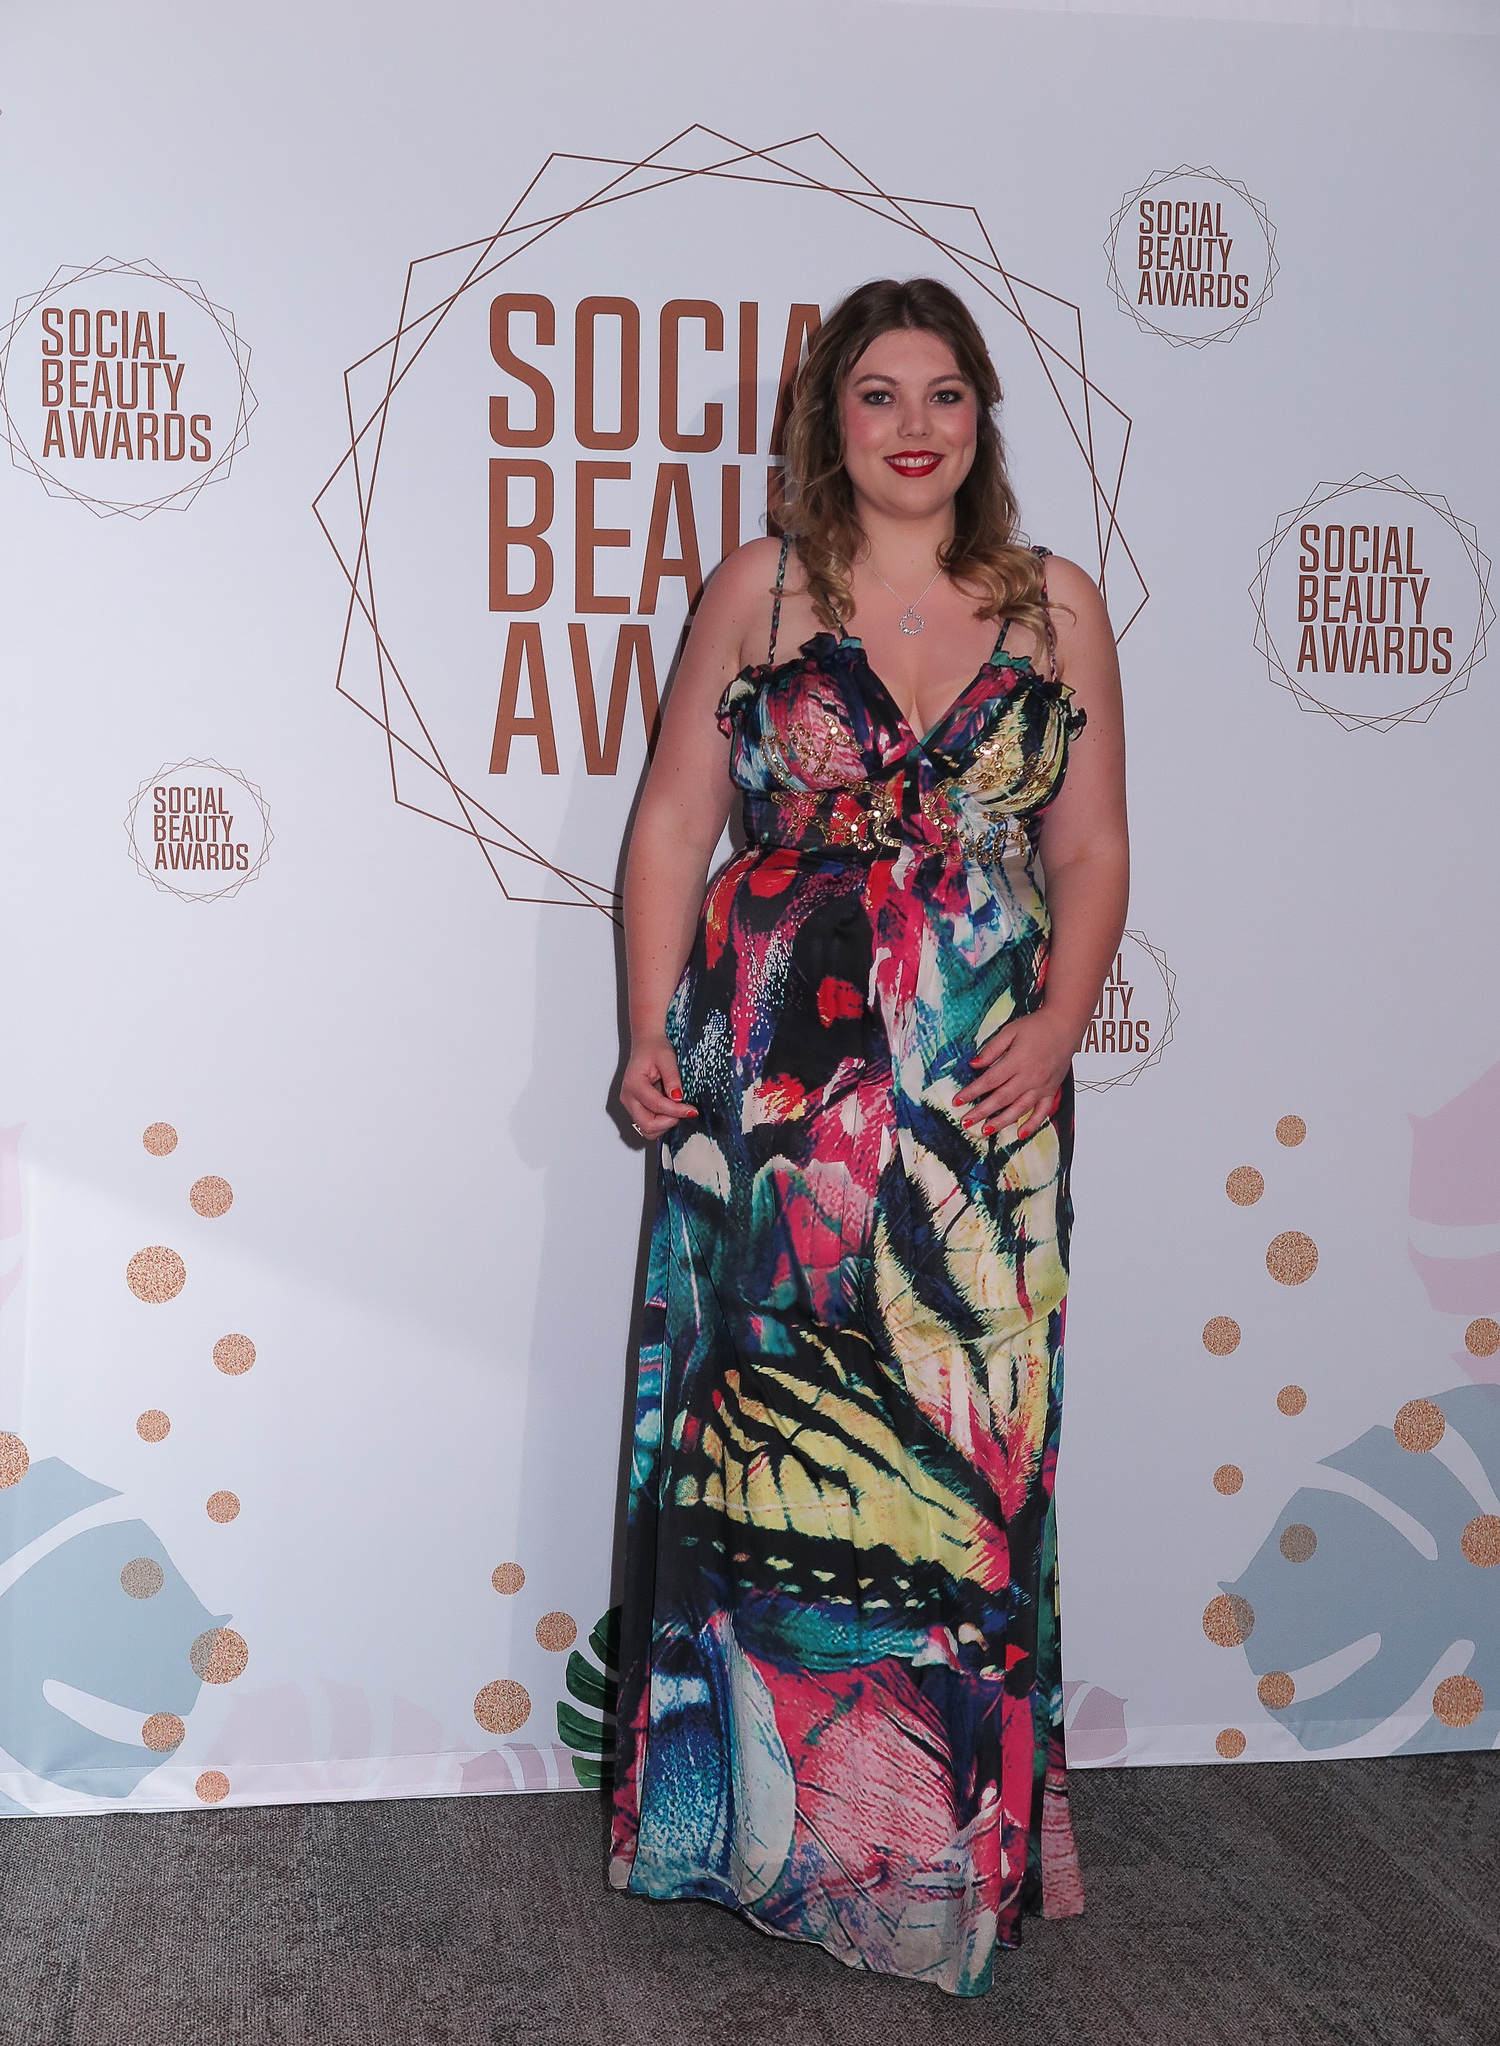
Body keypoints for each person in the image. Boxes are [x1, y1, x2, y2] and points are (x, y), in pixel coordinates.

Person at [609, 276, 1128, 1997]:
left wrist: (1061, 1024)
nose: (915, 426)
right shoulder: (760, 588)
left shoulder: (1055, 604)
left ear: (983, 418)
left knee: (970, 1453)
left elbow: (1091, 848)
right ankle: (769, 1833)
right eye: (879, 394)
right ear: (828, 418)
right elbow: (674, 818)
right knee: (765, 1441)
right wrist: (647, 1032)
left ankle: (944, 1850)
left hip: (981, 1094)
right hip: (773, 1093)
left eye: (946, 394)